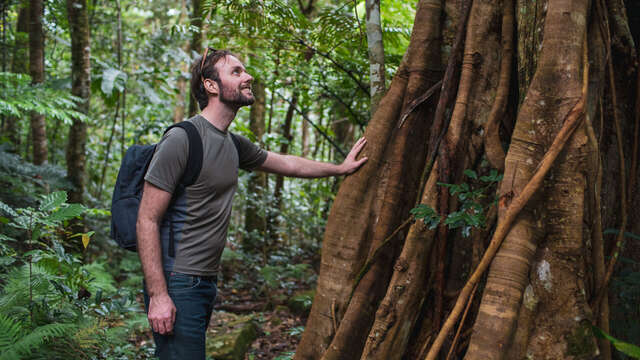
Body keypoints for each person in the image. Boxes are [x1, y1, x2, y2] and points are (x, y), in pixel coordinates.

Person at [136, 48, 368, 359]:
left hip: (205, 282)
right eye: (236, 72)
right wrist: (159, 295)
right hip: (179, 282)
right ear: (211, 85)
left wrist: (339, 169)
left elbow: (287, 164)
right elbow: (146, 219)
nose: (248, 77)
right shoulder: (183, 139)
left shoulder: (232, 143)